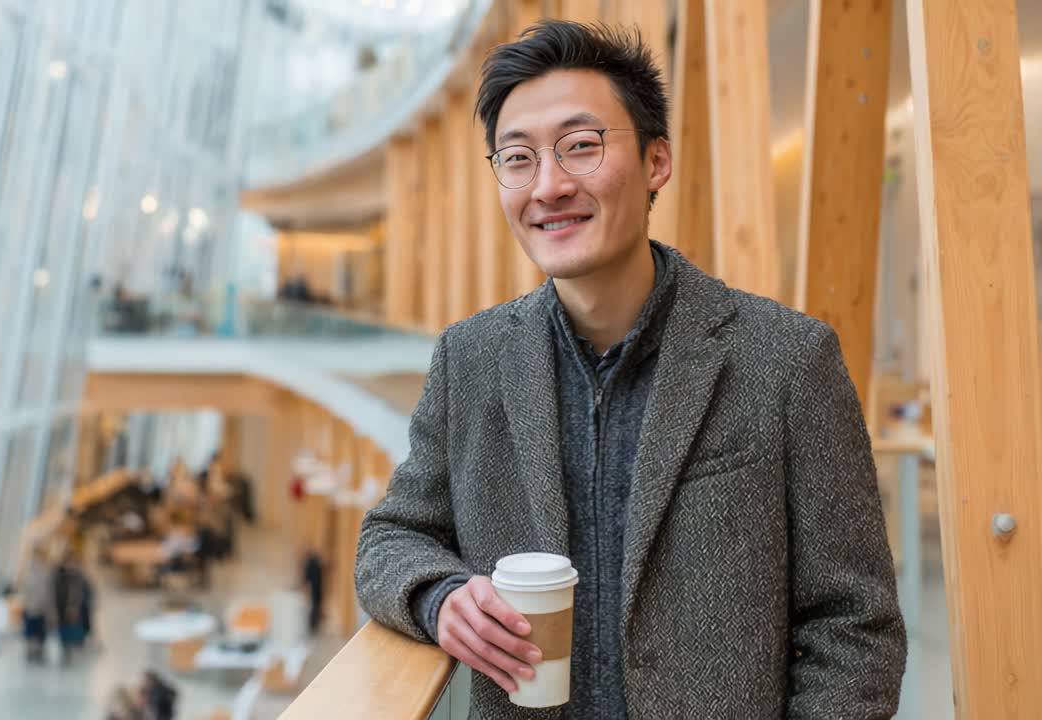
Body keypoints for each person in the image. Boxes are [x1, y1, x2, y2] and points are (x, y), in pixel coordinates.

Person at [354, 20, 906, 719]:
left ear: (656, 161)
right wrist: (439, 598)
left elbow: (855, 627)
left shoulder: (787, 359)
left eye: (581, 146)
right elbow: (389, 538)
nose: (548, 185)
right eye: (517, 158)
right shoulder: (470, 360)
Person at [21, 545, 55, 664]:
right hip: (32, 608)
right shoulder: (30, 572)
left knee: (37, 633)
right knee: (32, 633)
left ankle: (36, 653)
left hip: (39, 609)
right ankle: (32, 653)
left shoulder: (44, 572)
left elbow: (47, 593)